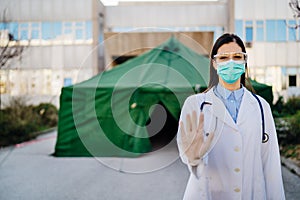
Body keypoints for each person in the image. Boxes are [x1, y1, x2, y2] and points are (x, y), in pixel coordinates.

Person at [177, 33, 285, 199]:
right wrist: (192, 157)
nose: (231, 62)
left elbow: (271, 165)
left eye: (237, 56)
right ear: (214, 63)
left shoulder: (261, 107)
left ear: (244, 61)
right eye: (224, 57)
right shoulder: (195, 105)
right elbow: (188, 154)